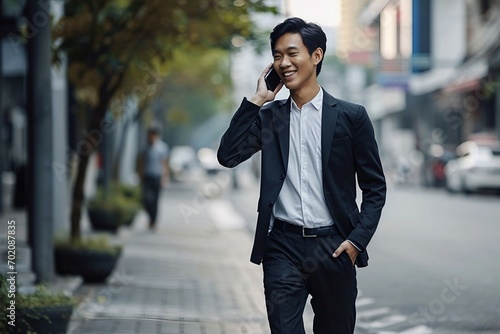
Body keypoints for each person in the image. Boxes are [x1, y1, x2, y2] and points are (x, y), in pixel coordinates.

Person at [217, 17, 386, 333]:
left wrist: (355, 241)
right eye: (278, 56)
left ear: (316, 56)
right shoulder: (270, 117)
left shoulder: (351, 117)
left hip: (334, 247)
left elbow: (375, 188)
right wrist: (257, 100)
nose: (284, 63)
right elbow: (227, 156)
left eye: (292, 53)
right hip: (282, 246)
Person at [139, 126, 170, 230]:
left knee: (155, 200)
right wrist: (140, 175)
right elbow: (142, 162)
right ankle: (150, 217)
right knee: (146, 199)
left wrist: (165, 177)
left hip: (157, 176)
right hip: (147, 176)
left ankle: (153, 220)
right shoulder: (145, 148)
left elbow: (164, 163)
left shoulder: (162, 148)